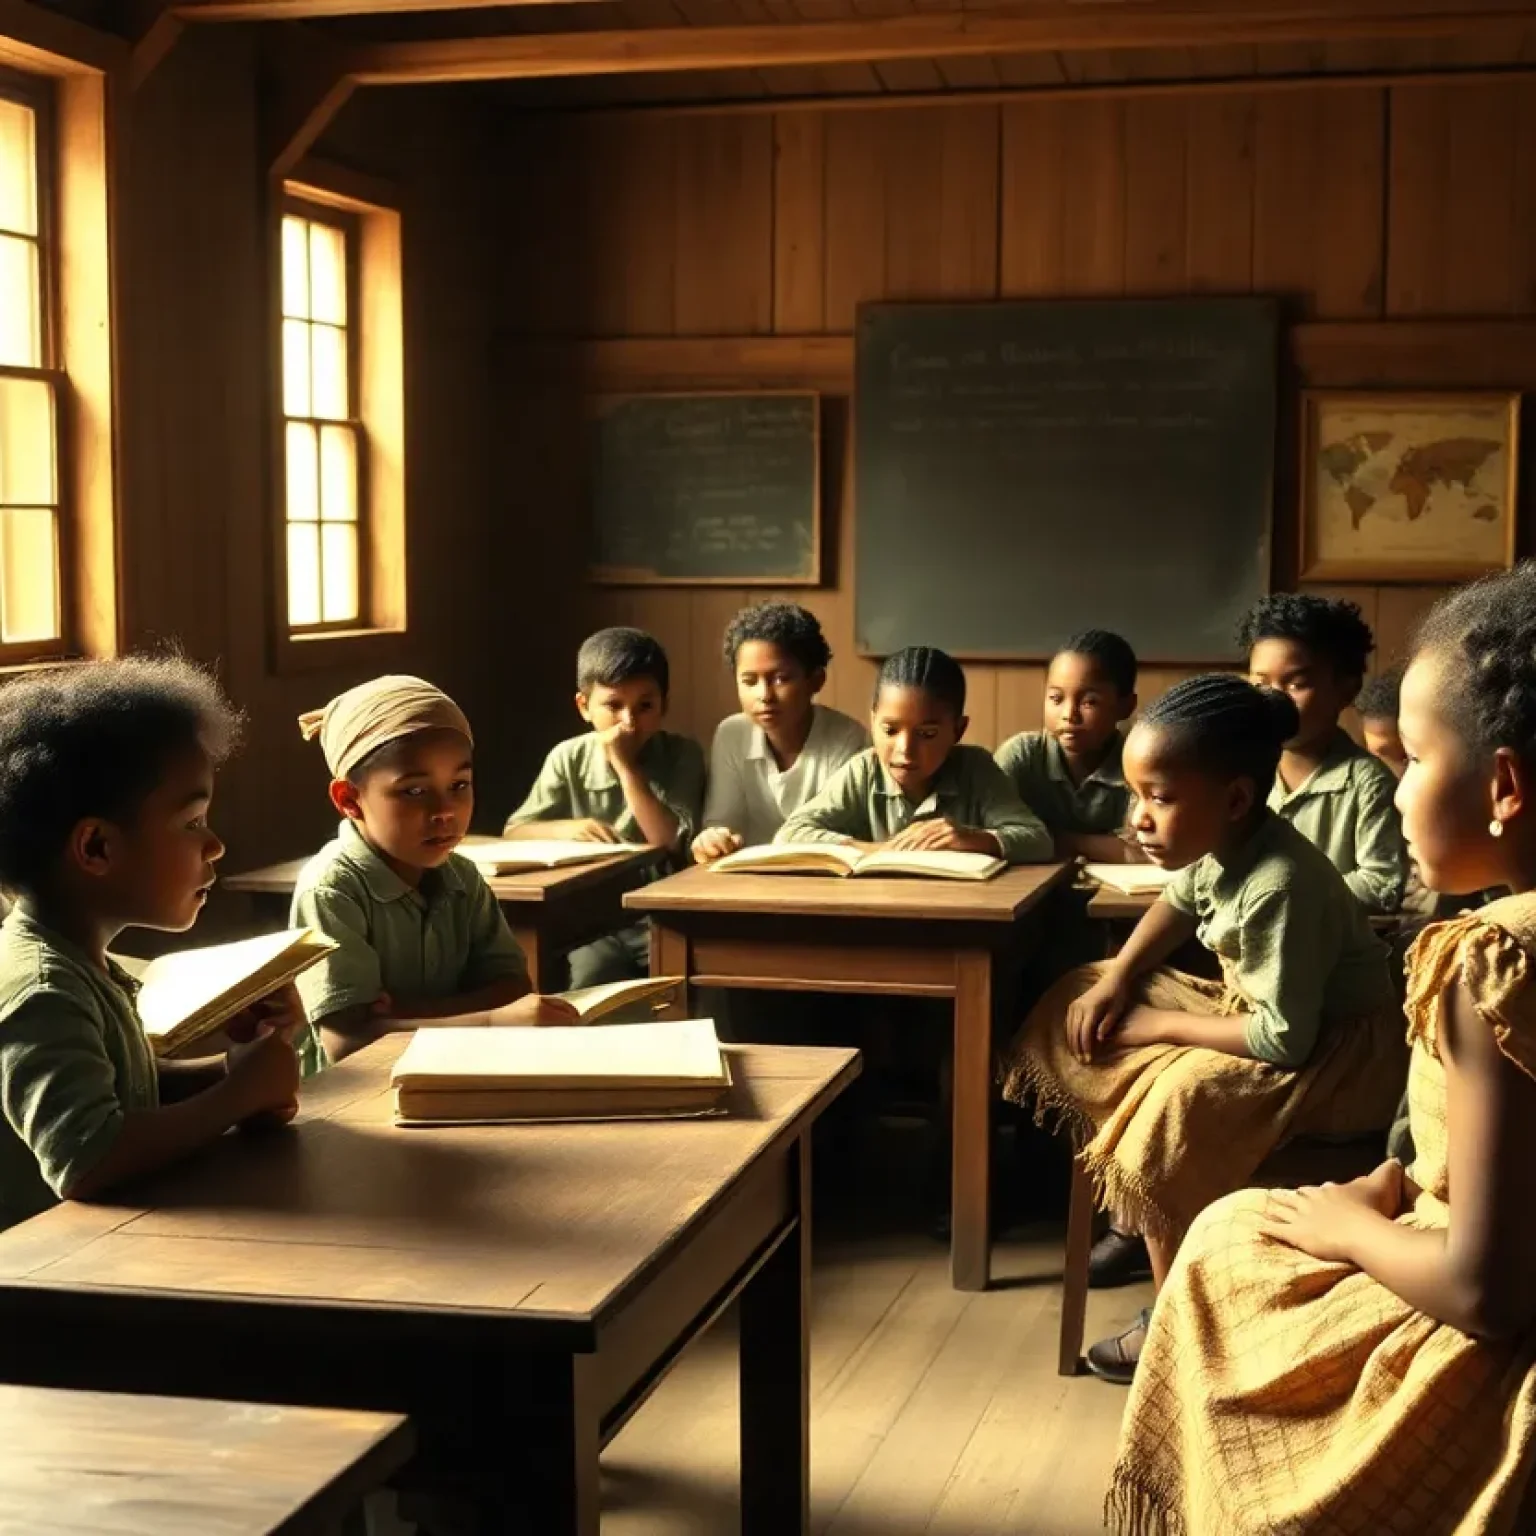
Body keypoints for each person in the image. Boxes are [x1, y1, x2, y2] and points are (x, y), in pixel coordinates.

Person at [1109, 563, 1536, 1535]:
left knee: (1226, 1246)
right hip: (1445, 1224)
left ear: (1503, 786)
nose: (1394, 795)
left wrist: (1350, 1229)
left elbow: (1487, 1290)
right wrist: (1395, 1182)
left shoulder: (1496, 960)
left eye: (1415, 763)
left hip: (1488, 1342)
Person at [1001, 674, 1402, 1383]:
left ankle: (1169, 1321)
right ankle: (1133, 1142)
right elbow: (1179, 904)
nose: (1139, 818)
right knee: (1083, 988)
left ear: (1238, 798)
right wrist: (1123, 976)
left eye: (1159, 798)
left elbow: (1284, 1040)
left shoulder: (1280, 881)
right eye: (1136, 795)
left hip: (1335, 1056)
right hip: (1262, 1013)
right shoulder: (1226, 842)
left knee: (1173, 1105)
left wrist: (1159, 1026)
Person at [0, 657, 302, 1232]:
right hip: (43, 1292)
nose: (214, 846)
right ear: (96, 848)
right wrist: (238, 1096)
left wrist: (237, 1067)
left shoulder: (80, 962)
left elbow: (125, 1093)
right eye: (192, 823)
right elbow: (85, 1157)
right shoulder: (41, 990)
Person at [291, 675, 573, 1069]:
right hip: (346, 1105)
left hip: (448, 1077)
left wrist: (409, 1011)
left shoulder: (462, 877)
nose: (445, 810)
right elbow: (348, 1043)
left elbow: (513, 989)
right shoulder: (331, 891)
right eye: (415, 791)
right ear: (349, 799)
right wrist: (489, 1020)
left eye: (459, 784)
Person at [504, 627, 705, 986]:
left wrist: (625, 766)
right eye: (613, 706)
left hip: (662, 916)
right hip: (591, 923)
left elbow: (668, 841)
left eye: (645, 706)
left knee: (683, 986)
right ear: (584, 706)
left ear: (664, 705)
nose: (629, 722)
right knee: (590, 981)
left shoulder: (682, 755)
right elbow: (515, 829)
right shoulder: (569, 757)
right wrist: (565, 829)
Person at [777, 646, 1053, 862]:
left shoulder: (975, 769)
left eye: (927, 734)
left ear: (958, 730)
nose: (904, 749)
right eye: (890, 730)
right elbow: (790, 834)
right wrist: (877, 851)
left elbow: (1039, 840)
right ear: (873, 722)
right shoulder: (864, 771)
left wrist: (974, 839)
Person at [1241, 593, 1408, 913]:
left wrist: (1279, 893)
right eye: (1262, 685)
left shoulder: (1368, 784)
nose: (1274, 700)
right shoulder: (1240, 771)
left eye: (1295, 684)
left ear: (1346, 689)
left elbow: (1381, 884)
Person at [693, 601, 866, 863]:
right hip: (745, 881)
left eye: (781, 679)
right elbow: (721, 822)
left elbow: (839, 832)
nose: (764, 696)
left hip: (823, 882)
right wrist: (713, 839)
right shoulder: (731, 734)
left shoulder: (848, 738)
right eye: (749, 681)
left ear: (816, 680)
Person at [994, 629, 1140, 862]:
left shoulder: (1137, 761)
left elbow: (1141, 852)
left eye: (1089, 702)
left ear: (1126, 706)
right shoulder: (1022, 755)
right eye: (1056, 698)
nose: (1069, 715)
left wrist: (1056, 840)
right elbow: (989, 834)